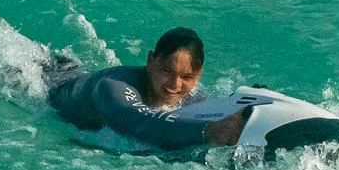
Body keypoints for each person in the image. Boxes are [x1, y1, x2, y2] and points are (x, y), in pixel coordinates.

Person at [44, 27, 248, 149]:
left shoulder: (192, 98)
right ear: (151, 60)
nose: (175, 85)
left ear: (199, 74)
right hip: (46, 81)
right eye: (166, 71)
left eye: (187, 77)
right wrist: (208, 131)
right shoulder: (111, 88)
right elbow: (139, 122)